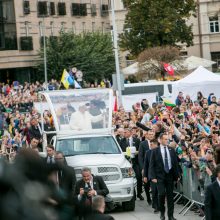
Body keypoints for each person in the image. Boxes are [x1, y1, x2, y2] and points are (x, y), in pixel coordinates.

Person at [149, 133, 179, 220]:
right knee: (161, 194)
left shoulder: (171, 150)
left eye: (168, 139)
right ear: (161, 140)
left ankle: (171, 215)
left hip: (169, 175)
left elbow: (175, 163)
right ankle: (162, 212)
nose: (167, 141)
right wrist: (153, 177)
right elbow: (152, 165)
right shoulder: (155, 151)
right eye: (165, 139)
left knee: (170, 196)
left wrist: (177, 175)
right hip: (159, 176)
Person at [138, 130, 155, 204]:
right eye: (150, 134)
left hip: (154, 166)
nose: (151, 136)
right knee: (146, 184)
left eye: (152, 134)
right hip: (146, 167)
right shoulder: (143, 143)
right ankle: (148, 198)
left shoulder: (156, 143)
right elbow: (140, 156)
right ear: (147, 135)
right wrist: (142, 168)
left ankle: (155, 199)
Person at [143, 139, 159, 213]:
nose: (150, 146)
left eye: (152, 144)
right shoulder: (148, 153)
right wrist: (145, 176)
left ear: (156, 144)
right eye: (150, 144)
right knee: (154, 191)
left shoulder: (160, 152)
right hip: (152, 175)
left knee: (160, 191)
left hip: (160, 175)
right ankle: (156, 206)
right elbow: (146, 165)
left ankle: (159, 205)